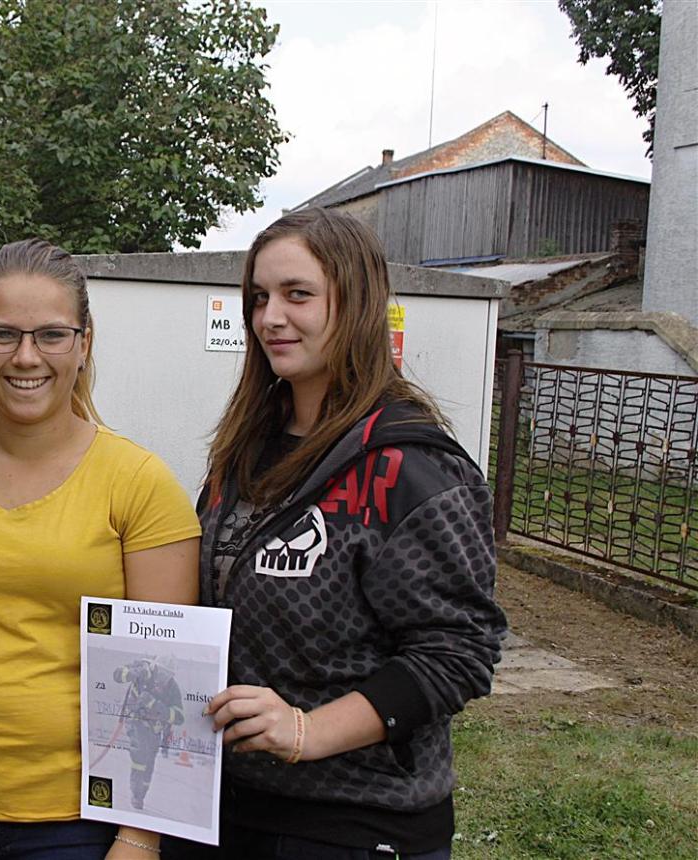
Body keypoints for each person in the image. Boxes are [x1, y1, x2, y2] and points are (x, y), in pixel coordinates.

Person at [166, 209, 507, 860]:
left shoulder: (413, 466)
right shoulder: (245, 450)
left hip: (355, 824)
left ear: (356, 304)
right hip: (226, 807)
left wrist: (308, 731)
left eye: (297, 294)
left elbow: (458, 651)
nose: (270, 317)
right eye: (259, 297)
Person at [0, 238, 202, 860]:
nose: (26, 356)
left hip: (77, 820)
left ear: (84, 344)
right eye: (3, 334)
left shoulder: (139, 483)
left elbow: (165, 675)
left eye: (52, 335)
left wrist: (139, 838)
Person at [112, 658, 186, 812]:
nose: (163, 677)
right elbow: (117, 675)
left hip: (154, 729)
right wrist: (132, 673)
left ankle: (141, 795)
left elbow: (179, 717)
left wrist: (155, 705)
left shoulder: (172, 688)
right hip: (136, 721)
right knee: (140, 755)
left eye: (168, 674)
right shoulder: (143, 669)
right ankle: (136, 794)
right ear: (155, 667)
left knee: (149, 764)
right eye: (162, 672)